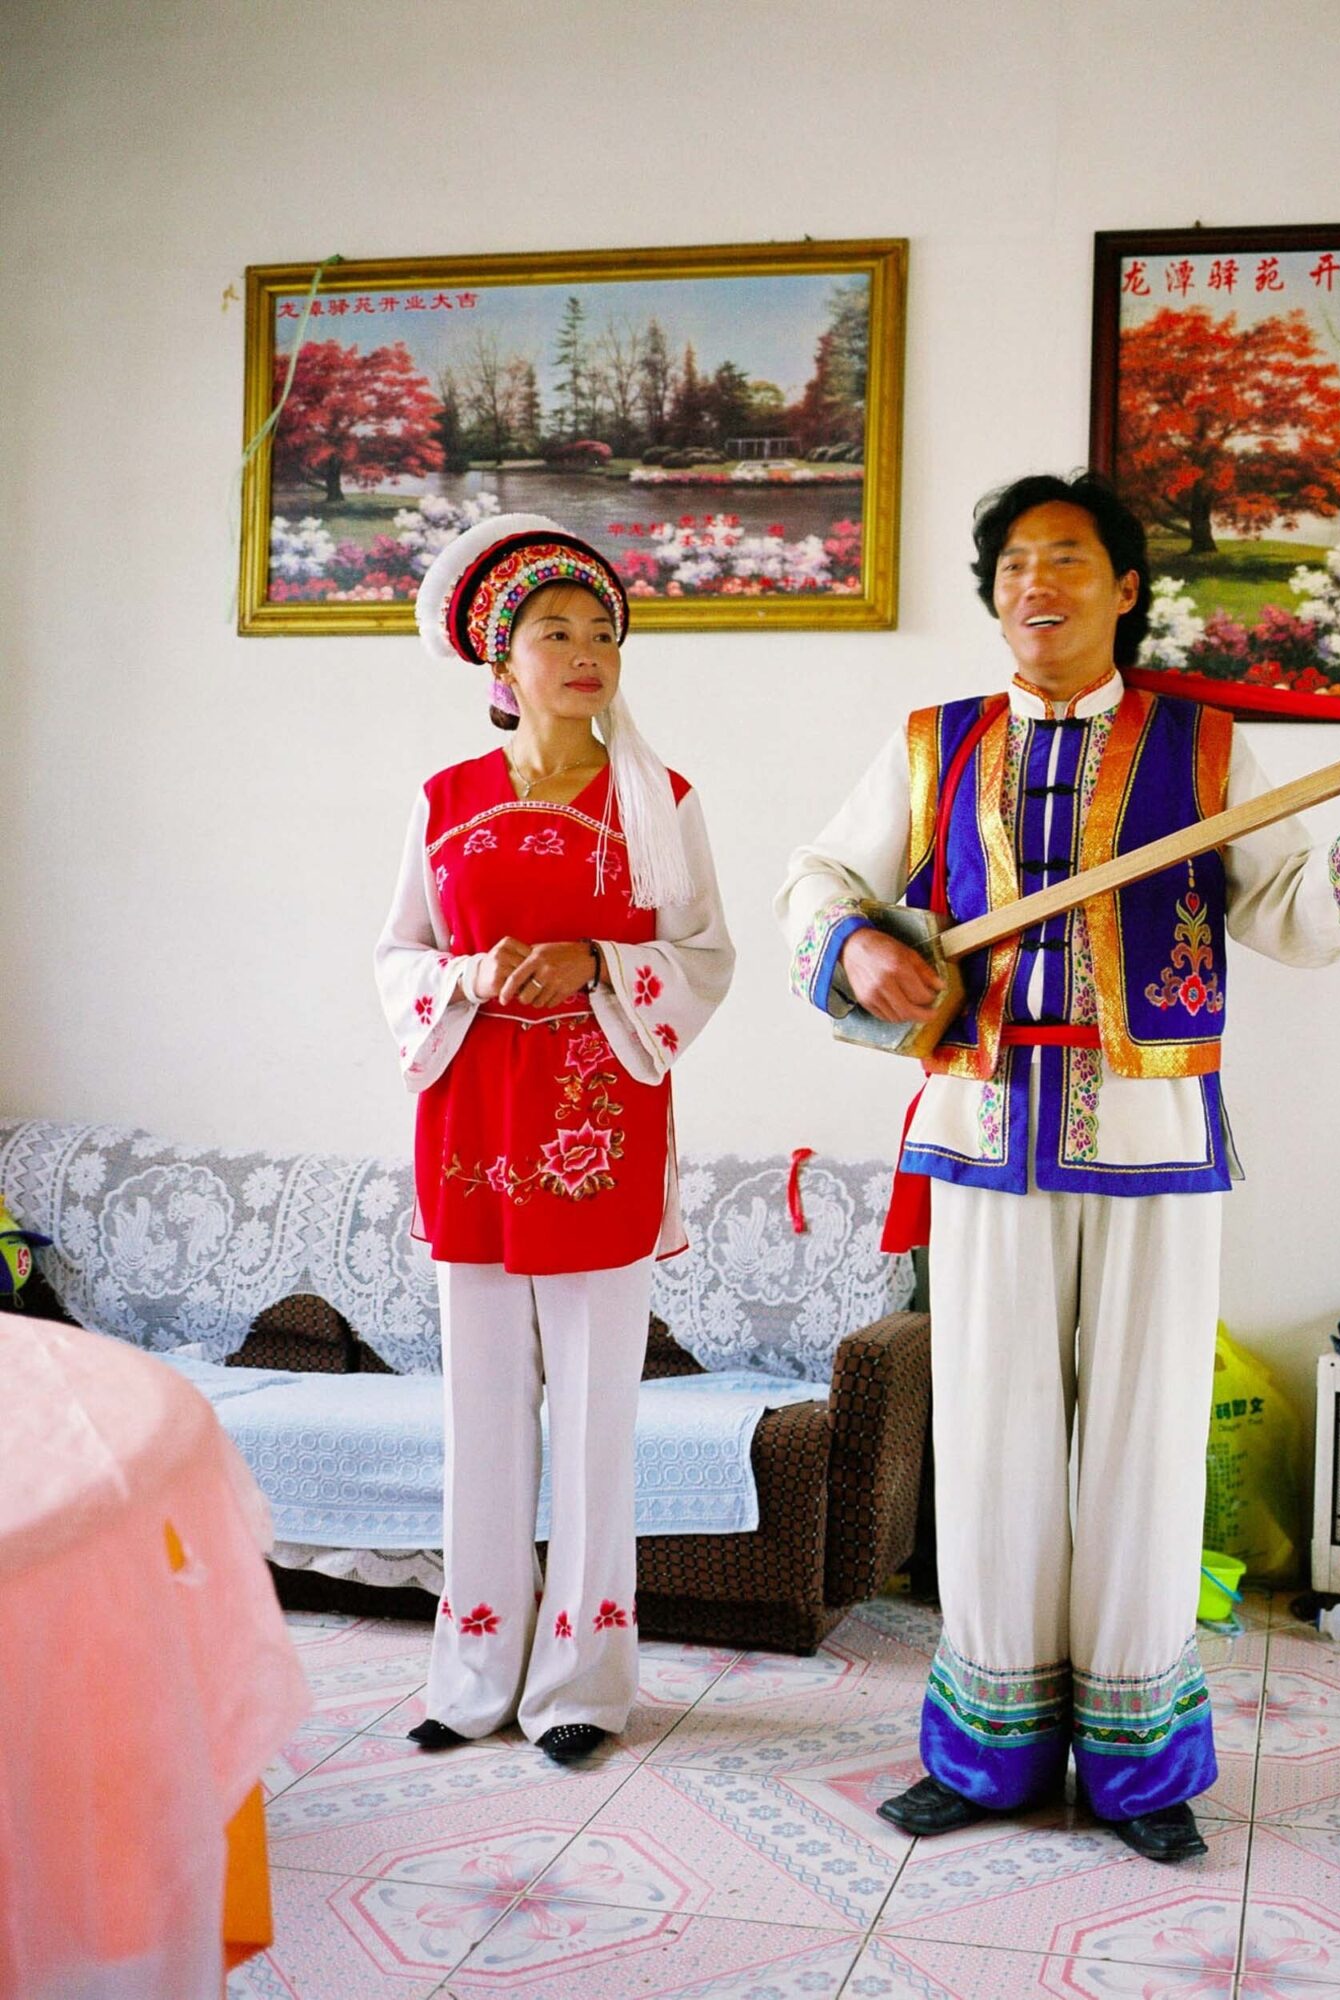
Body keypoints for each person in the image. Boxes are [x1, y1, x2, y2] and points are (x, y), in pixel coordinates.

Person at [776, 472, 1340, 1861]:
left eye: (1068, 559)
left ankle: (1141, 1770)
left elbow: (1290, 909)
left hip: (1152, 1127)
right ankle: (986, 1753)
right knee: (993, 1428)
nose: (1038, 585)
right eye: (1014, 564)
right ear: (994, 595)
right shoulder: (933, 747)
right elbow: (817, 884)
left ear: (1125, 588)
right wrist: (859, 948)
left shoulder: (1203, 746)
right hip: (984, 1120)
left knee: (1141, 1436)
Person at [376, 514, 734, 1763]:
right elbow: (396, 959)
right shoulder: (443, 800)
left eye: (600, 632)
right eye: (553, 632)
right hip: (470, 1122)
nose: (584, 652)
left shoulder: (660, 799)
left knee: (594, 1414)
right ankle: (472, 1671)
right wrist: (469, 978)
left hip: (601, 1127)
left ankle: (579, 1684)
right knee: (478, 1411)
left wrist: (594, 962)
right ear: (501, 662)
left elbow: (704, 959)